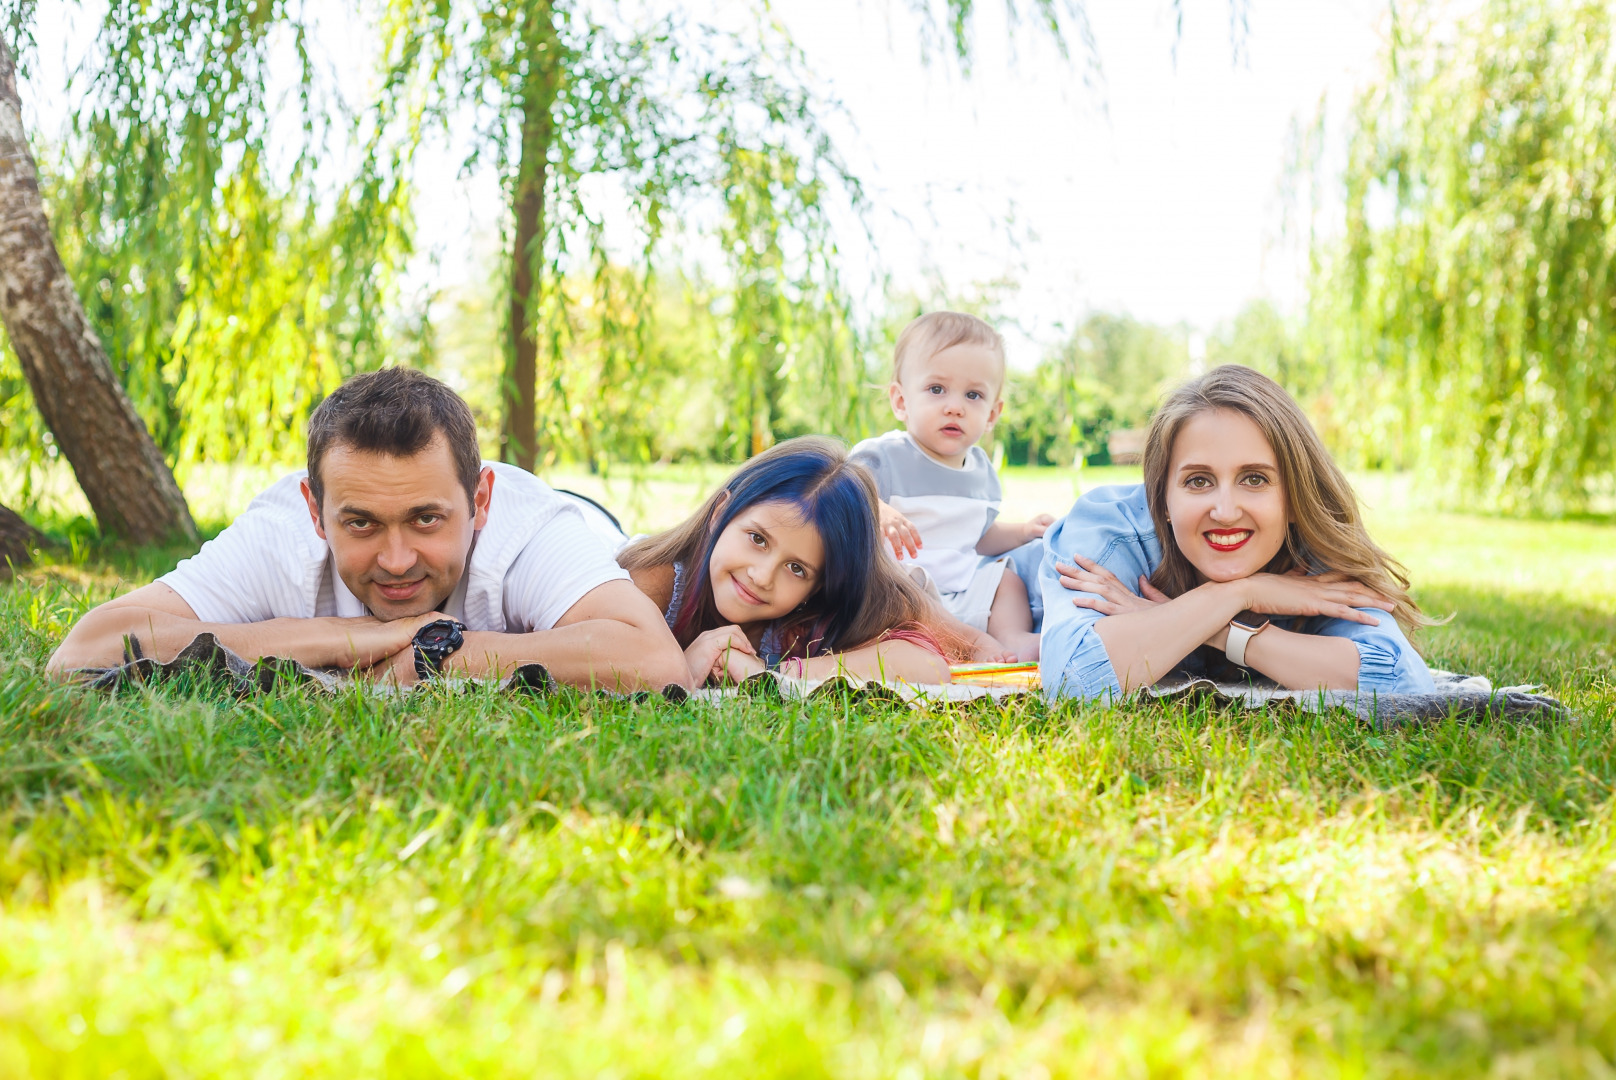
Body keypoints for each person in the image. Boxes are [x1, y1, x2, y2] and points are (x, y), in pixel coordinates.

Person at [47, 368, 691, 691]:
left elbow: (656, 661)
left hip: (594, 521)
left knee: (659, 569)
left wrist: (434, 656)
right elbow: (83, 651)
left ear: (480, 499)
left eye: (426, 518)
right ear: (314, 508)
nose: (396, 558)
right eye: (359, 523)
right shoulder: (279, 533)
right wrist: (346, 635)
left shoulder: (528, 529)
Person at [1039, 364, 1437, 700]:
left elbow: (1404, 683)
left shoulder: (1313, 553)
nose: (1225, 512)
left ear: (1295, 496)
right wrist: (1242, 592)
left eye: (1254, 479)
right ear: (1161, 498)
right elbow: (1073, 679)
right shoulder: (1110, 532)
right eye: (1198, 481)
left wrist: (1223, 631)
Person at [615, 436, 968, 687]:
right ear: (721, 513)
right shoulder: (651, 583)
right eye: (757, 539)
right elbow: (589, 660)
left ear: (817, 588)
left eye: (797, 568)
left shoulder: (801, 625)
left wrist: (771, 674)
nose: (762, 576)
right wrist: (677, 669)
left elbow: (928, 665)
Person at [850, 311, 1054, 662]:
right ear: (901, 401)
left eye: (973, 395)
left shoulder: (981, 472)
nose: (955, 407)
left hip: (961, 587)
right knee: (896, 588)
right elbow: (839, 497)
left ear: (992, 414)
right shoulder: (884, 457)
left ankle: (1011, 638)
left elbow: (978, 536)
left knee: (1007, 579)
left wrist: (1023, 531)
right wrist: (876, 508)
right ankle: (956, 645)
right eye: (936, 389)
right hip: (902, 588)